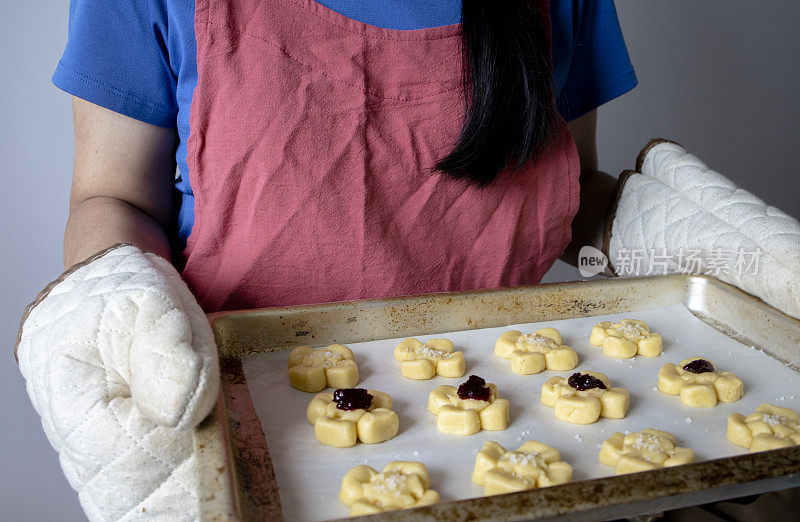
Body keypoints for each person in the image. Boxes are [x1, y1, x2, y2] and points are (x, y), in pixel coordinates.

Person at [15, 1, 800, 521]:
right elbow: (112, 200)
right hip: (255, 436)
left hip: (514, 426)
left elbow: (566, 192)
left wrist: (694, 237)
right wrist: (119, 302)